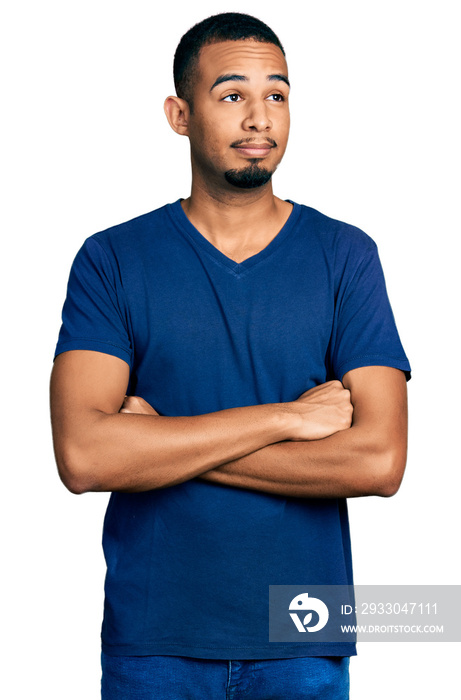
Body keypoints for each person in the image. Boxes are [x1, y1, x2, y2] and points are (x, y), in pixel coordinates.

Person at [50, 12, 411, 699]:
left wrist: (156, 443)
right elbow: (85, 457)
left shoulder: (345, 256)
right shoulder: (113, 259)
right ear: (179, 114)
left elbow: (379, 461)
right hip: (155, 636)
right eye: (231, 95)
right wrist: (284, 419)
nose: (258, 118)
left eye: (276, 95)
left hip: (304, 632)